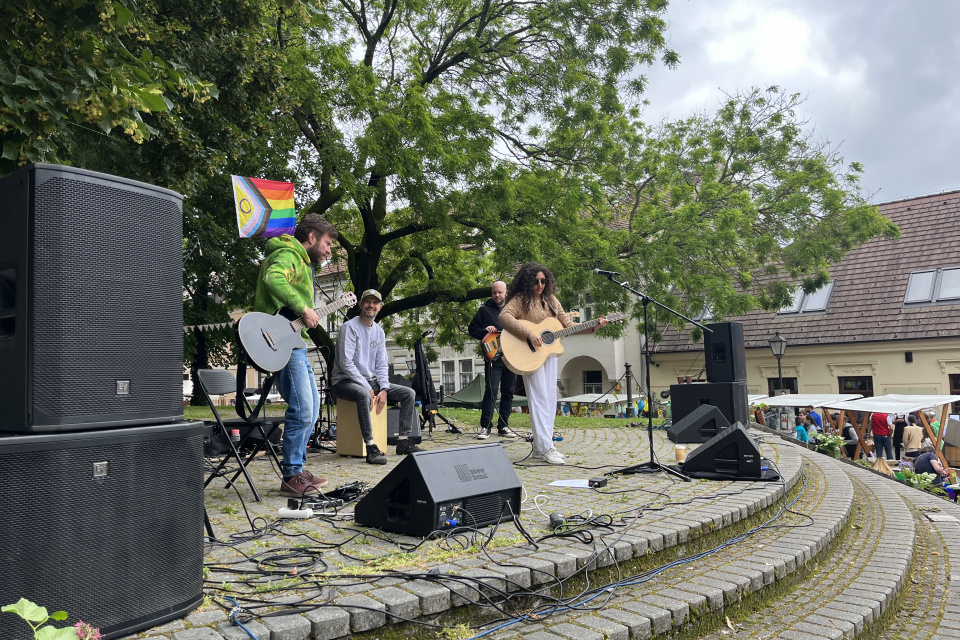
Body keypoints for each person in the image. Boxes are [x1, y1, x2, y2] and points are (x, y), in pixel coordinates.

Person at [253, 214, 337, 497]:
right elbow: (273, 278)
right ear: (312, 238)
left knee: (312, 409)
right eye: (327, 243)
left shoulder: (303, 263)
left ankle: (298, 470)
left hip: (293, 341)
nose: (329, 250)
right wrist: (304, 307)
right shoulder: (289, 255)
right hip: (281, 342)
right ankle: (291, 476)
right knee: (302, 410)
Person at [499, 263, 606, 464]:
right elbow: (504, 316)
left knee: (549, 399)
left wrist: (593, 326)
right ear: (528, 281)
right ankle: (545, 447)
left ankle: (543, 447)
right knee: (538, 399)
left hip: (549, 354)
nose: (540, 285)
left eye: (543, 281)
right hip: (529, 353)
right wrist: (529, 333)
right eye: (536, 281)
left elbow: (569, 325)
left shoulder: (551, 300)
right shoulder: (521, 300)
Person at [332, 289, 422, 464]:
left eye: (375, 303)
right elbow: (345, 363)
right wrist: (367, 387)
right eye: (367, 302)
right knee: (363, 394)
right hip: (344, 382)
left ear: (380, 307)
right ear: (360, 305)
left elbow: (381, 365)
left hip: (368, 381)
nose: (371, 306)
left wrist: (384, 389)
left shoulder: (379, 332)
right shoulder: (349, 328)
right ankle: (371, 447)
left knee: (408, 393)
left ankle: (403, 441)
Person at [468, 281, 518, 440]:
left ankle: (503, 426)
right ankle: (485, 427)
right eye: (494, 292)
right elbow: (472, 329)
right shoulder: (484, 310)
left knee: (508, 392)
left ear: (506, 293)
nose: (497, 295)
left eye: (500, 292)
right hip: (493, 358)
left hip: (511, 358)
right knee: (491, 391)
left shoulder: (513, 309)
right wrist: (485, 331)